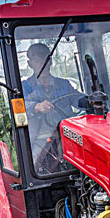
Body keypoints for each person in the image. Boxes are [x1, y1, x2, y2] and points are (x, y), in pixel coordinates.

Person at [21, 43, 83, 175]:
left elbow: (77, 99)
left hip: (66, 136)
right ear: (30, 64)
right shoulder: (24, 87)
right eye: (38, 61)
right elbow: (17, 106)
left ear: (51, 62)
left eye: (46, 60)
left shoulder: (63, 84)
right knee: (35, 168)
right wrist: (36, 106)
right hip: (39, 139)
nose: (43, 65)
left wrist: (89, 101)